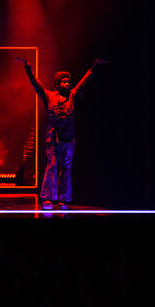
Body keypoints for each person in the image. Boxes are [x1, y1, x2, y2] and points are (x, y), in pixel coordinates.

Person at [17, 56, 108, 210]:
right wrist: (28, 68)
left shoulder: (72, 95)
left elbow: (84, 81)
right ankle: (47, 198)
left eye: (68, 82)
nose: (67, 84)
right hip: (52, 139)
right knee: (52, 166)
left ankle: (63, 198)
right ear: (58, 84)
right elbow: (36, 85)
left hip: (69, 139)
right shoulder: (49, 96)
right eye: (64, 82)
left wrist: (94, 67)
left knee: (66, 168)